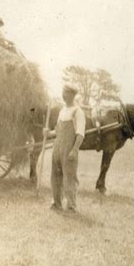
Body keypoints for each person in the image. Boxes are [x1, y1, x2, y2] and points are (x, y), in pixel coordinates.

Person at [44, 83, 86, 213]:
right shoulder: (62, 111)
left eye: (66, 93)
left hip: (69, 149)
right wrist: (48, 133)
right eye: (63, 93)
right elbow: (57, 131)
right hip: (57, 147)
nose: (63, 96)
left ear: (72, 95)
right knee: (55, 176)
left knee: (69, 177)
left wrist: (74, 150)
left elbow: (80, 134)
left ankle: (71, 206)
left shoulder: (77, 112)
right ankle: (56, 203)